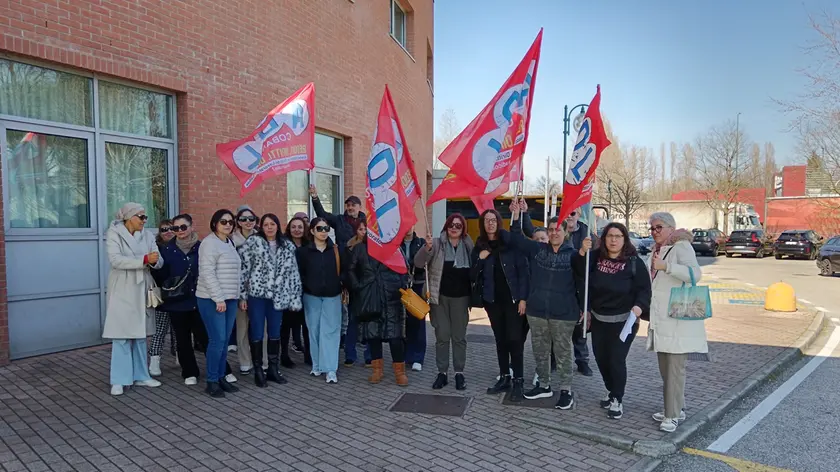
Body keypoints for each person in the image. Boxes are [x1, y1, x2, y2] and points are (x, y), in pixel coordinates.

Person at [509, 201, 582, 410]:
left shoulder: (575, 255)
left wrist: (584, 309)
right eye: (550, 230)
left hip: (564, 313)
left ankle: (566, 389)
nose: (553, 233)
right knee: (539, 350)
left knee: (562, 352)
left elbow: (584, 281)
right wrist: (517, 215)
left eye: (557, 229)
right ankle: (544, 385)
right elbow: (516, 238)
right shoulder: (538, 249)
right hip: (537, 311)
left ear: (565, 231)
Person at [577, 223, 651, 420]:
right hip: (600, 319)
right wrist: (582, 251)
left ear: (624, 239)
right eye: (610, 235)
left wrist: (639, 306)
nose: (613, 240)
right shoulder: (595, 258)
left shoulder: (634, 262)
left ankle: (617, 398)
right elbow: (578, 270)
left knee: (616, 360)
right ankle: (611, 391)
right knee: (601, 359)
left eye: (618, 236)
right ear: (604, 238)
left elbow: (645, 289)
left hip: (624, 322)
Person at [646, 212, 707, 433]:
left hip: (677, 319)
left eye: (658, 227)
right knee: (666, 369)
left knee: (674, 370)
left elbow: (695, 275)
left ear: (671, 228)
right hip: (661, 319)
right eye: (651, 228)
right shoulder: (656, 250)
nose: (654, 232)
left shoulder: (681, 246)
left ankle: (672, 415)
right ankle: (676, 408)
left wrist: (668, 267)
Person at [102, 203, 163, 396]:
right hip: (122, 286)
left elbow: (158, 259)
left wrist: (155, 261)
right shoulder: (114, 233)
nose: (144, 221)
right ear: (129, 217)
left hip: (143, 285)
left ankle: (141, 374)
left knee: (140, 333)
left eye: (145, 217)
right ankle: (119, 379)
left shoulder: (147, 235)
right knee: (121, 334)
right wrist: (144, 260)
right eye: (140, 217)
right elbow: (115, 260)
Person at [239, 213, 303, 387]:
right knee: (258, 331)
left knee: (275, 332)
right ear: (261, 226)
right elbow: (244, 270)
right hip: (257, 295)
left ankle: (273, 369)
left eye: (272, 224)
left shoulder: (287, 245)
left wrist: (293, 297)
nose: (269, 227)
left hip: (278, 296)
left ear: (277, 226)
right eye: (266, 224)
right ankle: (259, 370)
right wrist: (243, 295)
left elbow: (293, 273)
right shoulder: (253, 243)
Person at [472, 209, 529, 402]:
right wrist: (480, 260)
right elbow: (472, 273)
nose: (490, 223)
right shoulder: (479, 245)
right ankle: (505, 376)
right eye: (487, 220)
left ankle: (518, 381)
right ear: (483, 224)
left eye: (493, 220)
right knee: (500, 340)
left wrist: (523, 298)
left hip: (512, 301)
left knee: (515, 340)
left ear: (498, 222)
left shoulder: (510, 244)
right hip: (492, 301)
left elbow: (523, 271)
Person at [415, 213, 473, 391]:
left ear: (463, 229)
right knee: (442, 336)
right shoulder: (437, 243)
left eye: (458, 225)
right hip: (439, 298)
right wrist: (426, 249)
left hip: (462, 298)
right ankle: (442, 373)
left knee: (459, 337)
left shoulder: (468, 244)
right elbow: (418, 263)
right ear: (446, 226)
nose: (454, 228)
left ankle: (459, 373)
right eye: (451, 225)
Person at [347, 221, 410, 386]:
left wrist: (400, 285)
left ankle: (400, 372)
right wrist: (358, 286)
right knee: (373, 336)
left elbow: (405, 270)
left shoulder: (395, 248)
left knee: (395, 337)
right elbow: (351, 269)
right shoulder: (361, 248)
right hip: (370, 298)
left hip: (392, 298)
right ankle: (377, 370)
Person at [309, 184, 366, 358]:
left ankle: (365, 344)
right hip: (343, 268)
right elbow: (323, 215)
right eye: (348, 205)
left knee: (364, 309)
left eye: (353, 205)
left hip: (363, 270)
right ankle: (348, 349)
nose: (350, 208)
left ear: (359, 207)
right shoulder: (339, 220)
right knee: (345, 309)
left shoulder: (368, 222)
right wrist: (315, 198)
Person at [196, 209, 242, 398]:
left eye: (231, 222)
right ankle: (212, 381)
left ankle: (221, 376)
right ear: (215, 223)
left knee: (223, 343)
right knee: (217, 340)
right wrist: (218, 298)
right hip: (212, 299)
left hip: (230, 298)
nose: (228, 225)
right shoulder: (209, 243)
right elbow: (207, 273)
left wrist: (236, 296)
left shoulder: (229, 242)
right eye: (224, 222)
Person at [153, 214, 203, 386]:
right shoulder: (167, 250)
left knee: (205, 338)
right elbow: (160, 275)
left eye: (183, 227)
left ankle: (220, 369)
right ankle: (189, 372)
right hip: (176, 302)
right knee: (182, 340)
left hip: (199, 300)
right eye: (176, 228)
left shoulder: (201, 247)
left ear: (191, 227)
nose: (180, 231)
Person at [296, 217, 344, 384]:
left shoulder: (336, 250)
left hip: (333, 296)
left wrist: (340, 283)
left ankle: (330, 369)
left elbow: (344, 270)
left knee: (330, 332)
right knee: (314, 330)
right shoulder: (303, 252)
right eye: (320, 228)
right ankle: (317, 364)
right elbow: (299, 273)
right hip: (311, 296)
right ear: (312, 231)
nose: (324, 232)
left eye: (326, 228)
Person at [230, 204, 265, 375]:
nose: (248, 222)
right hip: (239, 289)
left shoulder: (261, 238)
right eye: (243, 219)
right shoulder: (231, 241)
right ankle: (245, 361)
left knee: (262, 326)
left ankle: (264, 360)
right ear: (237, 221)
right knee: (242, 327)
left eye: (251, 219)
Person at [564, 207, 594, 377]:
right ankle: (554, 359)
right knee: (558, 327)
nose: (569, 215)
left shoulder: (588, 234)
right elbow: (533, 233)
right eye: (567, 212)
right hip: (563, 284)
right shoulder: (558, 231)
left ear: (579, 215)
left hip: (581, 284)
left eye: (573, 213)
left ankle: (582, 361)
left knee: (580, 326)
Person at [281, 215, 311, 367]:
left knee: (306, 325)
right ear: (289, 229)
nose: (297, 230)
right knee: (286, 325)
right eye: (293, 227)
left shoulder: (309, 245)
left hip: (306, 290)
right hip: (288, 292)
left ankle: (308, 355)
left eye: (300, 227)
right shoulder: (283, 245)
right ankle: (284, 356)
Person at [149, 218, 177, 376]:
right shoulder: (156, 249)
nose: (168, 232)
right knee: (160, 330)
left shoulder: (178, 247)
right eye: (164, 229)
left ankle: (179, 355)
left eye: (171, 228)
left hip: (178, 295)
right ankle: (154, 359)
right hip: (162, 295)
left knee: (178, 330)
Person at [400, 231, 427, 372]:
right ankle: (408, 355)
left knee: (418, 320)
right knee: (405, 322)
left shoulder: (420, 242)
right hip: (403, 285)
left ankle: (418, 357)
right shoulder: (397, 244)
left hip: (418, 284)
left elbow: (423, 262)